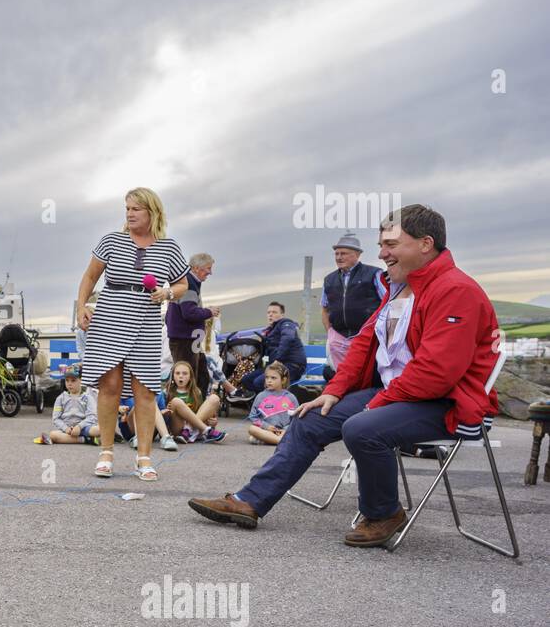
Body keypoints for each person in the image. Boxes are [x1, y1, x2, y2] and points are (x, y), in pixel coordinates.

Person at [188, 205, 500, 547]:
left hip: (450, 403)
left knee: (363, 428)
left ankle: (384, 513)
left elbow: (437, 373)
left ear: (426, 244)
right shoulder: (399, 290)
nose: (382, 253)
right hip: (399, 395)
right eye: (381, 244)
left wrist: (377, 405)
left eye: (391, 244)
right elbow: (364, 346)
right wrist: (333, 392)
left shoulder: (456, 290)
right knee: (309, 416)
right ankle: (251, 501)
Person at [76, 187, 190, 482]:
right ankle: (106, 453)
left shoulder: (169, 247)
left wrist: (167, 291)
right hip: (110, 315)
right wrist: (82, 307)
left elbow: (182, 285)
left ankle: (144, 458)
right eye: (127, 208)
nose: (129, 213)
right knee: (110, 385)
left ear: (152, 212)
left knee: (146, 389)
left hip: (146, 320)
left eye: (136, 208)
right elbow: (90, 276)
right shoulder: (111, 240)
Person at [322, 233, 387, 372]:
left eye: (344, 253)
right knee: (342, 375)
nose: (339, 257)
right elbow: (325, 309)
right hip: (339, 338)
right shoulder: (329, 279)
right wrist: (331, 333)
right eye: (336, 253)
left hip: (367, 336)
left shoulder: (374, 274)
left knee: (366, 374)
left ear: (357, 254)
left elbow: (387, 302)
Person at [165, 252, 220, 399]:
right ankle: (181, 411)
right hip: (184, 340)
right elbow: (189, 312)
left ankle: (196, 409)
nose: (210, 272)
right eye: (208, 268)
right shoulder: (189, 283)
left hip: (190, 339)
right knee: (186, 379)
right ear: (196, 268)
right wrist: (209, 312)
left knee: (201, 377)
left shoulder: (189, 282)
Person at [237, 302, 306, 396]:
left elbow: (288, 338)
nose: (270, 314)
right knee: (246, 380)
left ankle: (272, 405)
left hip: (292, 366)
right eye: (269, 312)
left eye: (274, 312)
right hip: (276, 366)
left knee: (259, 382)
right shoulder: (270, 330)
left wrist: (278, 359)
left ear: (282, 314)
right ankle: (261, 404)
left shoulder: (286, 324)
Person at [165, 360, 225, 443]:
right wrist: (167, 410)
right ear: (173, 376)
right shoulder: (167, 392)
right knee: (176, 401)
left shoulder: (196, 392)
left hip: (194, 428)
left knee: (214, 398)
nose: (181, 376)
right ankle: (207, 431)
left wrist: (213, 422)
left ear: (190, 377)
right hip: (177, 429)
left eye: (185, 373)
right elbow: (162, 417)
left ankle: (189, 429)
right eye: (177, 373)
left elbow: (201, 412)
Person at [35, 365, 97, 445]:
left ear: (81, 380)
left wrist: (79, 427)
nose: (69, 384)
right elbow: (56, 418)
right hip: (67, 429)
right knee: (53, 435)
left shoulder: (88, 397)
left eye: (73, 380)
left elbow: (92, 416)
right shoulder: (60, 398)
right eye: (67, 380)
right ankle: (85, 439)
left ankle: (87, 437)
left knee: (99, 430)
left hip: (84, 428)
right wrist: (66, 428)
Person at [245, 362, 297, 446]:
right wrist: (266, 427)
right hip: (267, 430)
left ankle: (270, 440)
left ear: (283, 380)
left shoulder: (291, 398)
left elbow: (295, 419)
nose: (269, 380)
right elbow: (253, 416)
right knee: (252, 429)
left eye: (273, 378)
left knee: (294, 431)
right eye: (267, 377)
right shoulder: (260, 396)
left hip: (284, 431)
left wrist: (284, 429)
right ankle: (280, 441)